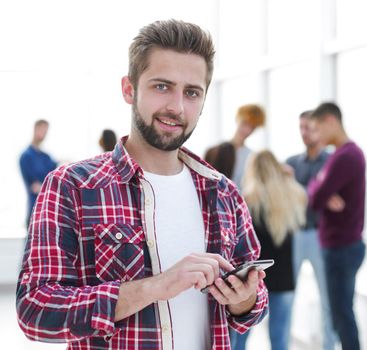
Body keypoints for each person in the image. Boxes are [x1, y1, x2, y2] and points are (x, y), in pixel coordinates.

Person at [16, 19, 268, 350]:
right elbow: (35, 310)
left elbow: (254, 306)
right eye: (162, 86)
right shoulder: (72, 186)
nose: (177, 107)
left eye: (192, 92)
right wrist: (156, 286)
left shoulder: (223, 193)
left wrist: (243, 299)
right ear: (129, 89)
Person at [308, 102, 366, 350]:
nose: (316, 136)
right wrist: (319, 188)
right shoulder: (341, 155)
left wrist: (320, 190)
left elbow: (314, 197)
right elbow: (315, 190)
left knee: (342, 316)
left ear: (330, 120)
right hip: (340, 245)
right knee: (340, 314)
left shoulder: (345, 156)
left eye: (318, 128)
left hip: (342, 247)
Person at [236, 150, 306, 350]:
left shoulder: (247, 198)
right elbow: (305, 199)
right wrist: (288, 177)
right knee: (280, 338)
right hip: (284, 277)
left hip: (254, 277)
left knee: (241, 336)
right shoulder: (292, 194)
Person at [286, 110, 337, 350]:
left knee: (328, 298)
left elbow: (328, 199)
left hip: (320, 235)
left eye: (310, 127)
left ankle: (329, 346)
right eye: (301, 128)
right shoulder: (292, 162)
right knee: (286, 295)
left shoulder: (331, 162)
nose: (305, 133)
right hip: (294, 234)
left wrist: (298, 189)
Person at [19, 119, 57, 227]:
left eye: (46, 131)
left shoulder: (46, 157)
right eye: (42, 130)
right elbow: (35, 186)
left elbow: (55, 174)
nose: (44, 134)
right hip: (34, 209)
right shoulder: (26, 156)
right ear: (35, 129)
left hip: (48, 211)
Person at [230, 104, 266, 189]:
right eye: (244, 123)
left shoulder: (252, 156)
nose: (247, 130)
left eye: (252, 127)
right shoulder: (217, 151)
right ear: (237, 119)